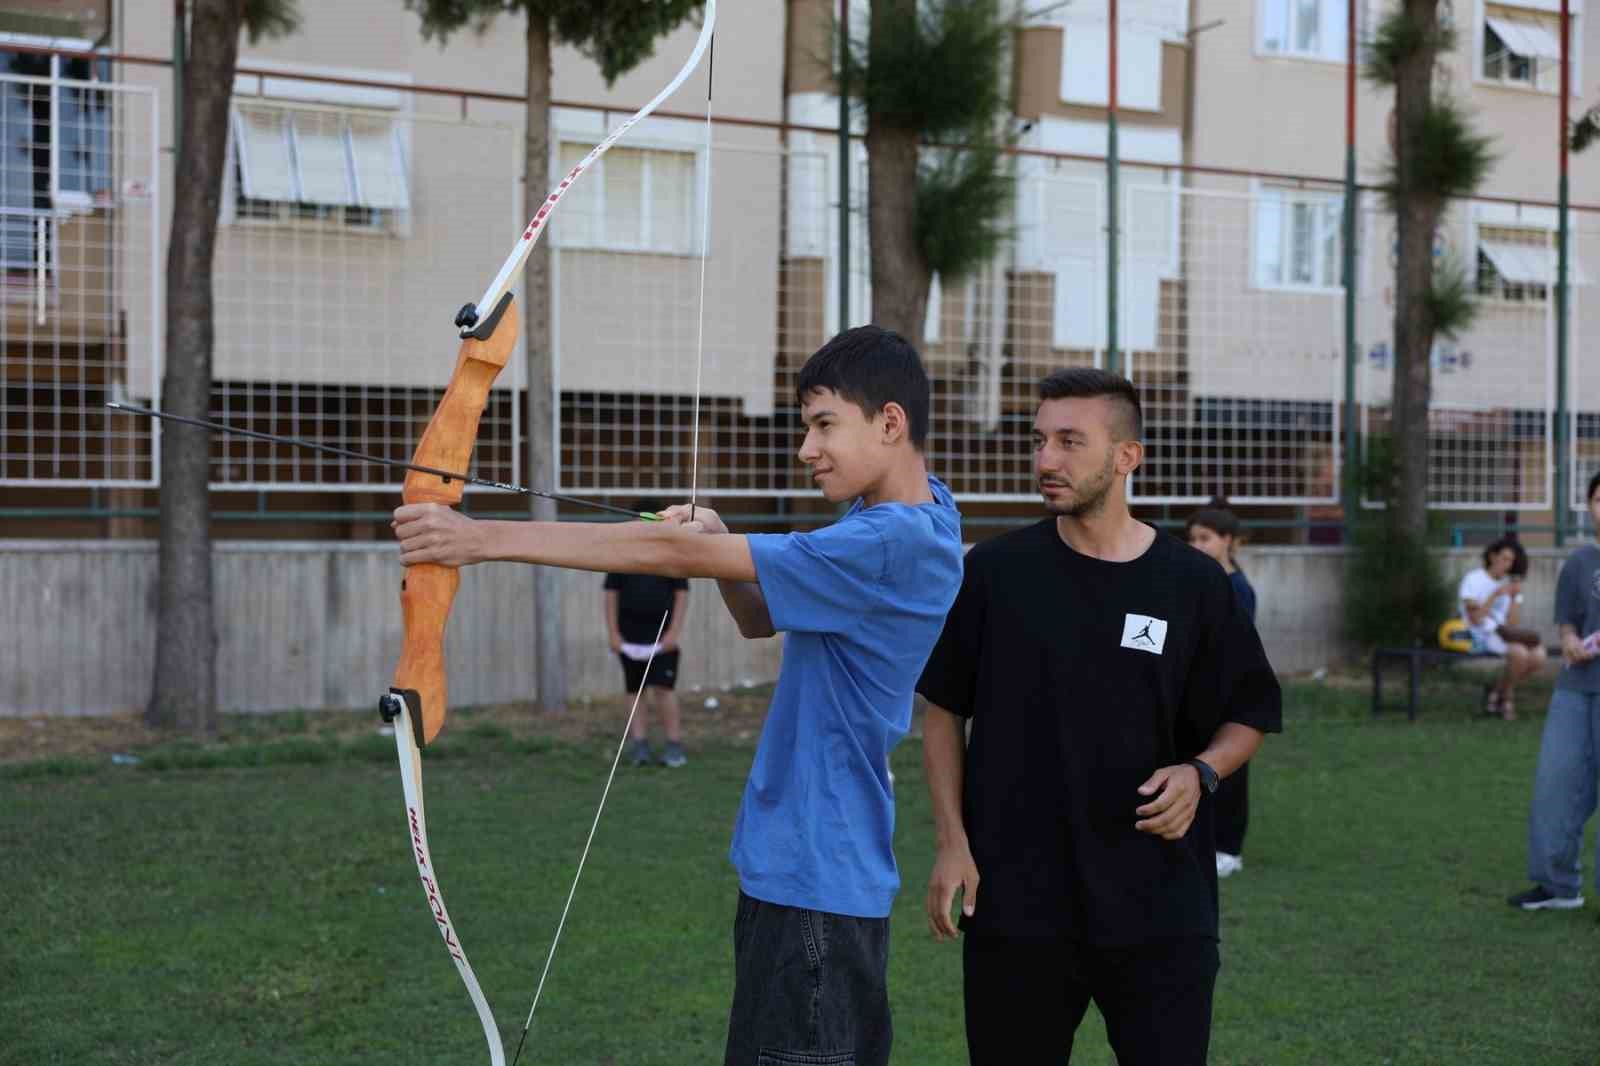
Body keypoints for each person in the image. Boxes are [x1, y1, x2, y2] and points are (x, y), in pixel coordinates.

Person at [392, 325, 963, 1066]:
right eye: (806, 427)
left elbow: (669, 552)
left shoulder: (890, 542)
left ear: (891, 423)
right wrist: (723, 544)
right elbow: (759, 618)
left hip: (816, 883)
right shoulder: (920, 514)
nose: (806, 449)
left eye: (825, 425)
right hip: (810, 871)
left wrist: (475, 538)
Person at [916, 367, 1282, 1066]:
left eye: (1069, 442)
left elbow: (1249, 712)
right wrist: (951, 841)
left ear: (1126, 457)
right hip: (1018, 909)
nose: (1045, 459)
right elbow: (943, 712)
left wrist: (1202, 772)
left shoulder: (1195, 584)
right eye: (1039, 440)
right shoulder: (995, 574)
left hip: (1161, 909)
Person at [1505, 470, 1600, 912]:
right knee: (1556, 785)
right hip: (1575, 688)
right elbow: (1567, 619)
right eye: (1599, 499)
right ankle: (1558, 885)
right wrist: (1568, 640)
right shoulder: (1580, 563)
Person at [1185, 498, 1258, 879]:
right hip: (1201, 690)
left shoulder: (1237, 589)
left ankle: (1229, 848)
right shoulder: (1200, 581)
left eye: (1206, 538)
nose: (1197, 546)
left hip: (1229, 691)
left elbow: (1234, 645)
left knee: (1230, 769)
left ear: (1227, 540)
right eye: (1193, 538)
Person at [603, 503, 690, 767]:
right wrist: (614, 634)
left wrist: (673, 632)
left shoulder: (671, 556)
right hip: (629, 636)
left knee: (664, 689)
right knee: (634, 690)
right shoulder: (622, 557)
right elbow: (610, 594)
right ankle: (639, 744)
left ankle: (674, 745)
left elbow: (681, 594)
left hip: (662, 638)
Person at [1458, 535, 1547, 720]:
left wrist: (1514, 598)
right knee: (1520, 654)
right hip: (1477, 633)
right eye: (1504, 558)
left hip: (1502, 634)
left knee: (1539, 656)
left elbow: (1512, 623)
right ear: (1492, 556)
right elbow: (1475, 619)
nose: (1507, 564)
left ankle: (1496, 692)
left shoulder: (1510, 584)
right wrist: (1495, 595)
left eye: (1511, 561)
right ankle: (1507, 699)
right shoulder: (1473, 579)